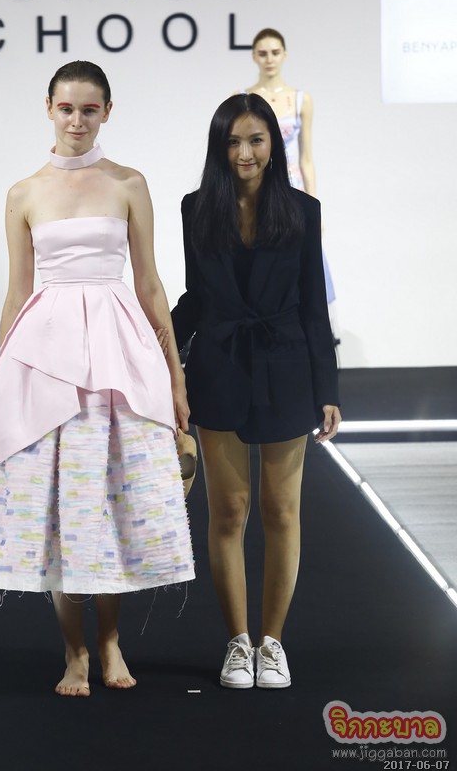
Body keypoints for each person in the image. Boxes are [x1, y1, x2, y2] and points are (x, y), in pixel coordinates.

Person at [0, 60, 194, 697]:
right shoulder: (23, 193)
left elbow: (150, 284)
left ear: (107, 112)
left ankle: (111, 640)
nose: (76, 120)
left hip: (118, 350)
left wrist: (175, 376)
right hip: (45, 353)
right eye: (66, 108)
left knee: (110, 497)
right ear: (49, 108)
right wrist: (0, 382)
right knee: (56, 503)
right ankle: (74, 650)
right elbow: (17, 293)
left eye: (89, 109)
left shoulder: (129, 183)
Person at [171, 92, 340, 690]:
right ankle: (238, 643)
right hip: (218, 366)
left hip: (287, 367)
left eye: (256, 140)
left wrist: (327, 386)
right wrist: (153, 352)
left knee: (281, 510)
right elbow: (196, 298)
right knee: (228, 511)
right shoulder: (196, 208)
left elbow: (313, 304)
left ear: (273, 144)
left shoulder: (302, 210)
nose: (245, 152)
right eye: (234, 142)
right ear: (219, 147)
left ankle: (273, 644)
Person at [244, 27, 336, 311]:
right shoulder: (244, 98)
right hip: (256, 186)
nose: (269, 59)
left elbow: (306, 156)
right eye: (263, 53)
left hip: (291, 185)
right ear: (254, 56)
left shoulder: (300, 99)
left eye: (275, 52)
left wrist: (314, 204)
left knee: (299, 256)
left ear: (285, 55)